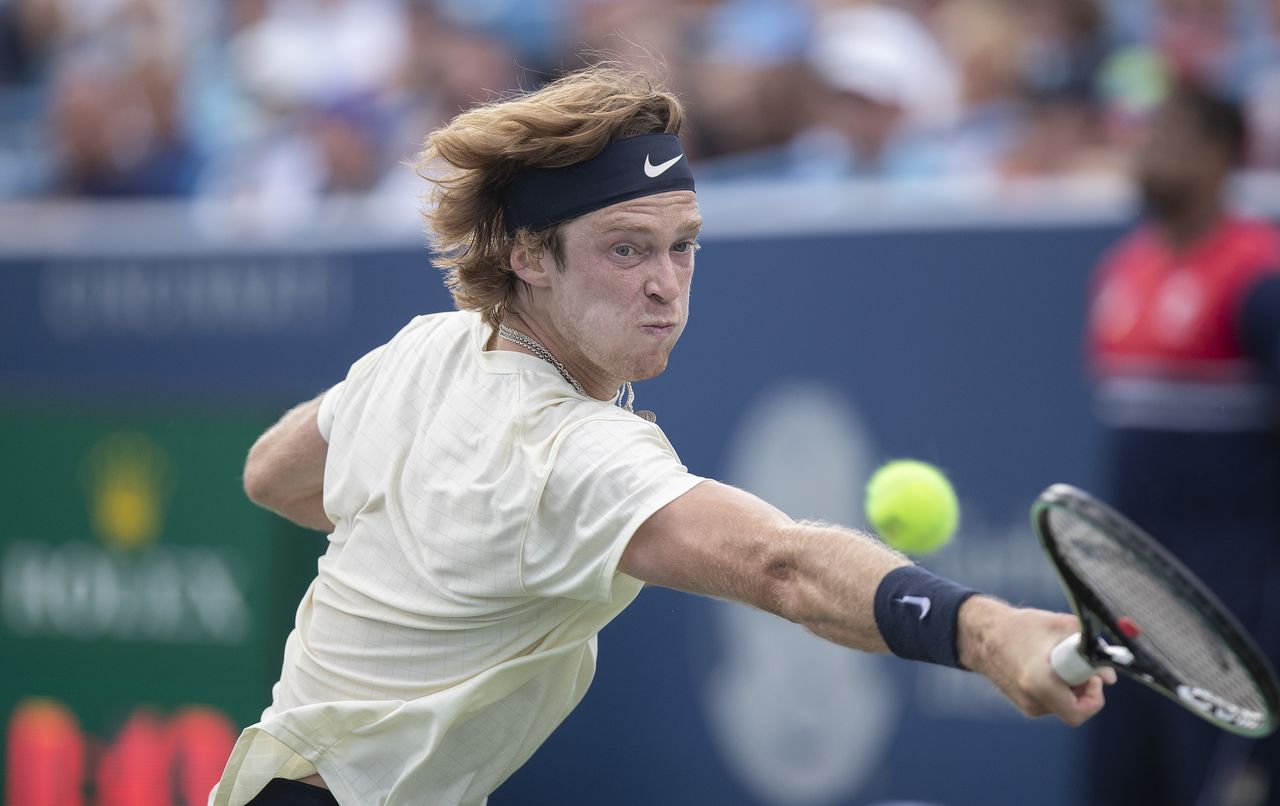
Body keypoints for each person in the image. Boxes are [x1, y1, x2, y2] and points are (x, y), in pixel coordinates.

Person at [210, 65, 1113, 806]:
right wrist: (989, 634)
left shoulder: (423, 347)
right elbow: (782, 565)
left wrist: (432, 542)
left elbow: (270, 474)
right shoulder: (575, 455)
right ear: (527, 255)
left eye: (684, 246)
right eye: (626, 248)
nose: (667, 284)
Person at [1085, 86, 1280, 806]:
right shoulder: (1119, 273)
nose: (1149, 153)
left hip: (1236, 601)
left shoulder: (1260, 276)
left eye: (1172, 136)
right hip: (1130, 600)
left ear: (1223, 155)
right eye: (1147, 134)